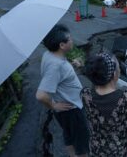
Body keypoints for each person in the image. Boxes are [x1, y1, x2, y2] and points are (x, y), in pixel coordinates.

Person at [36, 24, 89, 157]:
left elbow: (58, 75)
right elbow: (41, 95)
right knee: (82, 144)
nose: (72, 40)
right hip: (72, 109)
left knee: (69, 135)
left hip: (65, 109)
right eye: (69, 39)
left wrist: (71, 66)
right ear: (61, 45)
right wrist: (53, 105)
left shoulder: (49, 55)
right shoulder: (56, 65)